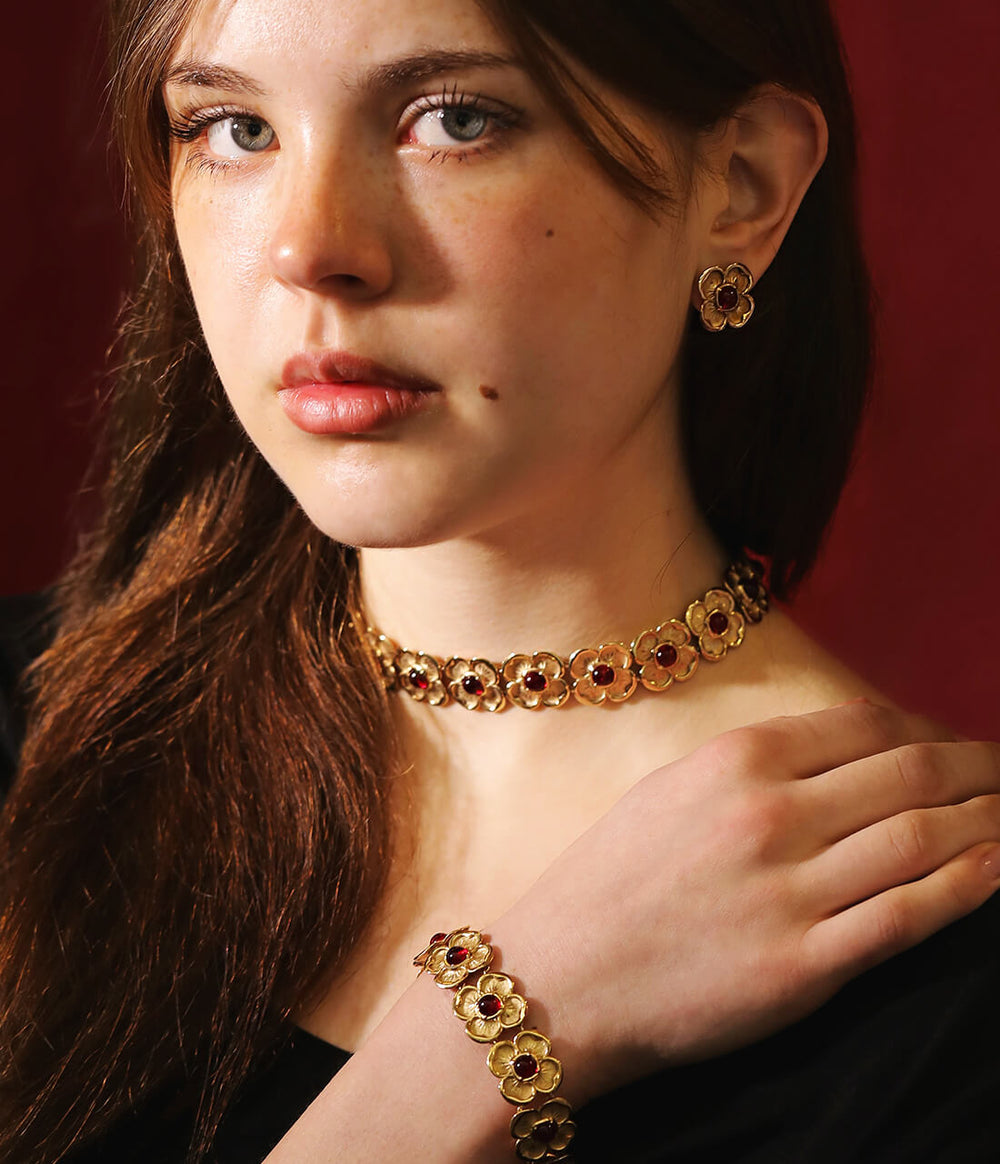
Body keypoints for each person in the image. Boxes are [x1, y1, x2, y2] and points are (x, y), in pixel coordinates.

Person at [1, 0, 998, 1161]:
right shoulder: (36, 738)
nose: (308, 247)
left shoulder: (935, 971)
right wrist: (499, 1031)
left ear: (742, 186)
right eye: (232, 129)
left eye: (453, 119)